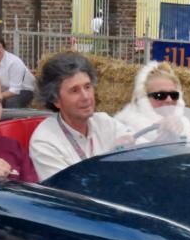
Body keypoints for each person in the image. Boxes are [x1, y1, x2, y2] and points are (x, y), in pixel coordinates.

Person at [29, 52, 132, 181]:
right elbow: (68, 191)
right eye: (74, 90)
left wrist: (163, 132)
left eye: (87, 87)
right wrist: (110, 159)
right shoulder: (45, 141)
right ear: (55, 100)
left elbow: (143, 147)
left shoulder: (105, 122)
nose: (86, 96)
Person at [114, 60, 190, 146]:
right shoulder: (125, 126)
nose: (169, 100)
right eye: (160, 95)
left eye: (174, 95)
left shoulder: (184, 124)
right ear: (144, 99)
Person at [0, 35, 35, 108]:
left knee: (10, 102)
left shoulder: (14, 62)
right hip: (4, 90)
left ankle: (14, 119)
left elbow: (15, 90)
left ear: (3, 47)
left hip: (23, 90)